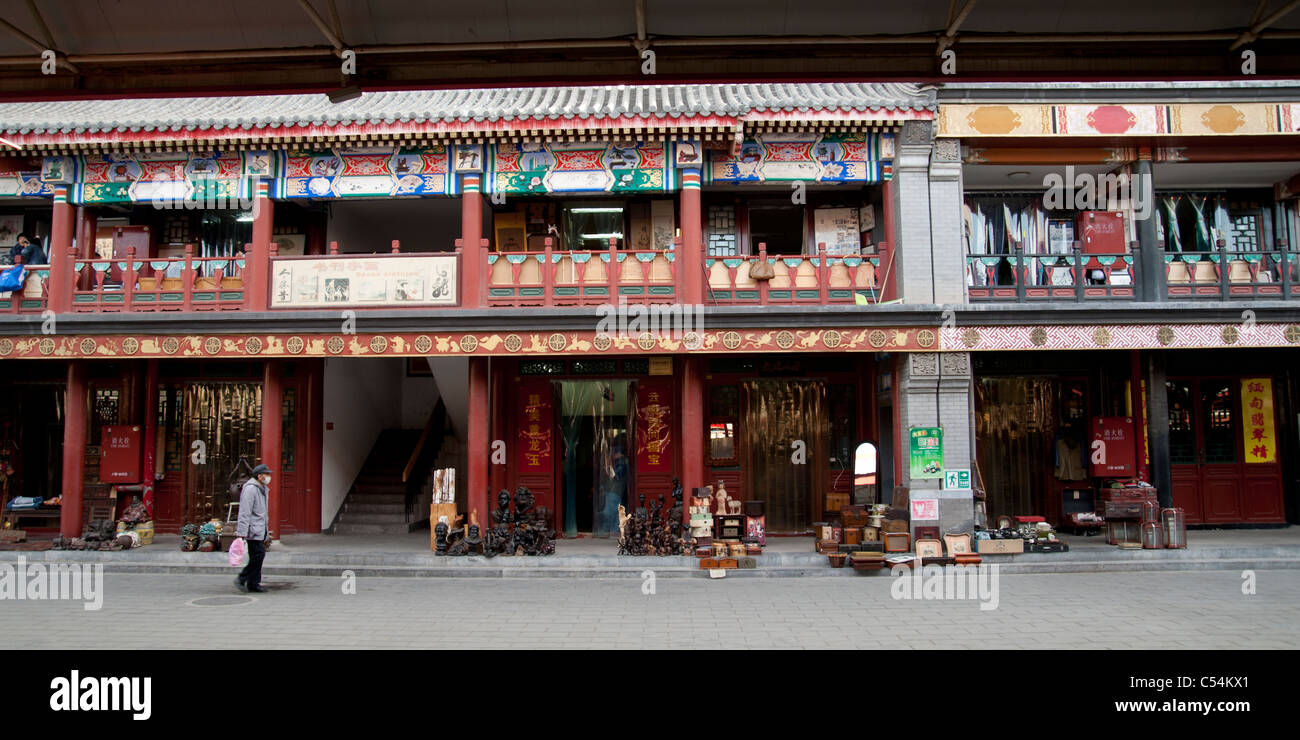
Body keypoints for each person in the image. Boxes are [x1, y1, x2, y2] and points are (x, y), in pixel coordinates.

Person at [234, 463, 273, 593]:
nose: (268, 477)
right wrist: (242, 532)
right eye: (266, 474)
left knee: (257, 556)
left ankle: (253, 583)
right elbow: (245, 511)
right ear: (259, 476)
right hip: (253, 529)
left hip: (260, 528)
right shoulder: (251, 489)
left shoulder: (262, 489)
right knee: (258, 555)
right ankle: (242, 578)